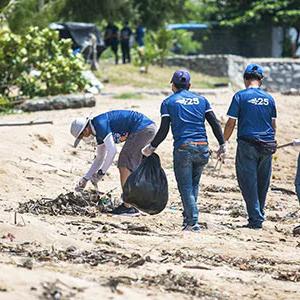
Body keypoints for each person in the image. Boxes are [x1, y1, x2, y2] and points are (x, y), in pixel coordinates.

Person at [142, 70, 226, 232]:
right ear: (189, 85)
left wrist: (151, 147)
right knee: (193, 185)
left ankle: (192, 222)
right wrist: (222, 144)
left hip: (184, 148)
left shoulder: (168, 102)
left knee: (185, 187)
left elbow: (164, 129)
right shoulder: (202, 100)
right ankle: (188, 219)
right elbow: (215, 123)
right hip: (203, 147)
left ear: (173, 86)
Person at [70, 110, 156, 216]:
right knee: (130, 165)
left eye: (81, 136)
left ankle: (128, 207)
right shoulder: (98, 131)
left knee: (124, 163)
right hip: (146, 129)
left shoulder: (99, 125)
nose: (83, 138)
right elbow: (100, 158)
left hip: (143, 128)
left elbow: (112, 151)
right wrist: (85, 178)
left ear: (85, 130)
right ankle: (135, 202)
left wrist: (101, 173)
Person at [223, 63, 277, 229]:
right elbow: (273, 124)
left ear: (246, 79)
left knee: (247, 181)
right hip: (267, 144)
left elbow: (231, 123)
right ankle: (259, 212)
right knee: (263, 181)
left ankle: (255, 218)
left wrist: (223, 141)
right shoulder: (269, 98)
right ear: (260, 80)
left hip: (248, 144)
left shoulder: (240, 96)